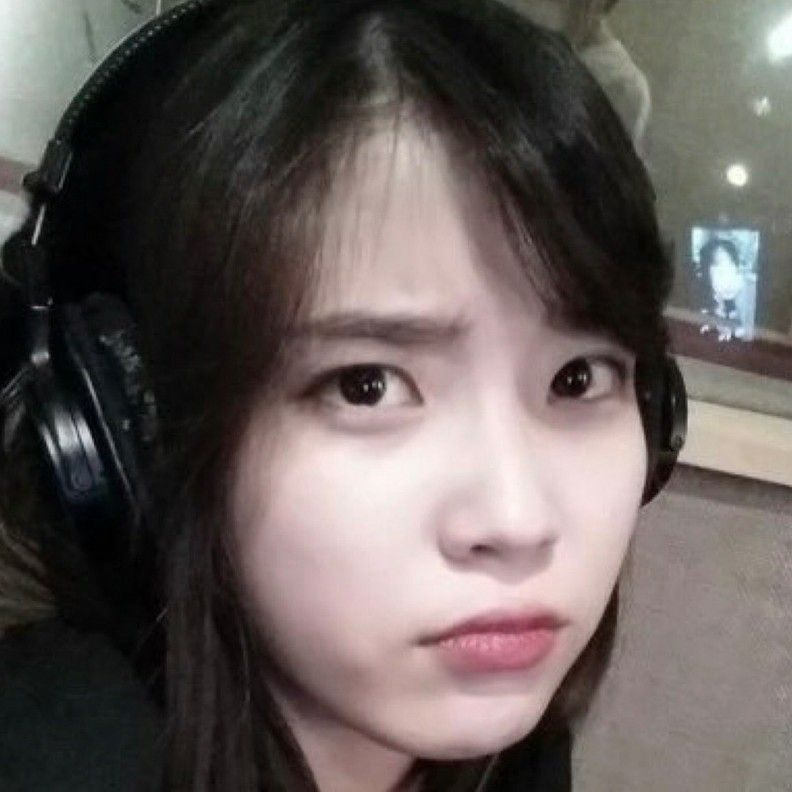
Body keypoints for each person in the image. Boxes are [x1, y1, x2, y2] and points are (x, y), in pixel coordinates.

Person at [0, 0, 685, 790]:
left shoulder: (508, 762)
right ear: (136, 430)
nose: (517, 521)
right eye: (368, 386)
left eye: (578, 378)